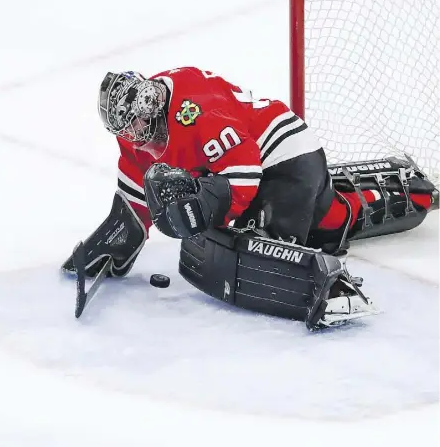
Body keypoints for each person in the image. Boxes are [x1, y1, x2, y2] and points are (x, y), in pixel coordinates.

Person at [63, 67, 437, 328]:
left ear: (151, 107)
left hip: (285, 158)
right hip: (242, 168)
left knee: (308, 234)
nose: (132, 136)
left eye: (135, 125)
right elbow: (135, 185)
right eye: (122, 129)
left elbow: (243, 174)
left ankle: (408, 198)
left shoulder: (196, 112)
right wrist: (119, 237)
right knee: (239, 234)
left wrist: (206, 207)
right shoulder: (135, 128)